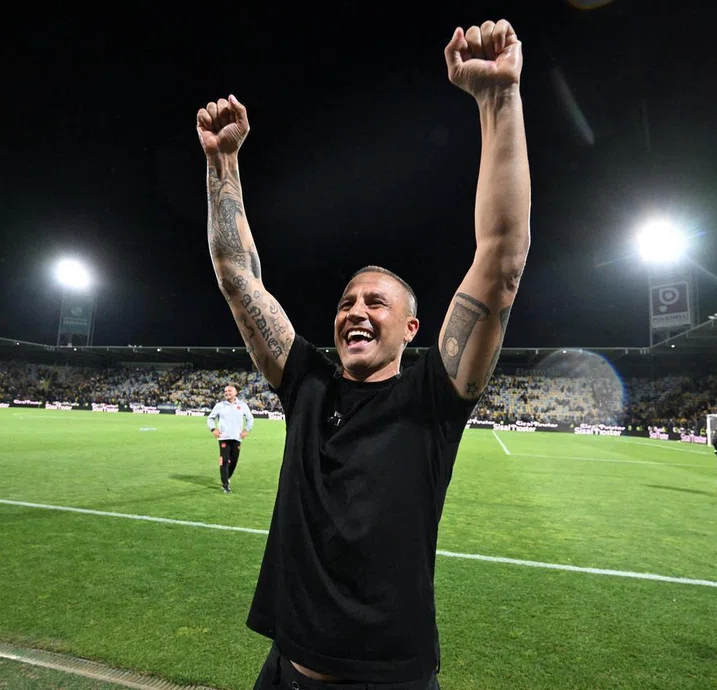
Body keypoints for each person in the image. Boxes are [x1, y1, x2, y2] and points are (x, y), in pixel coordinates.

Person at [196, 18, 530, 689]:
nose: (355, 309)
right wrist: (222, 161)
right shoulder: (308, 383)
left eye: (376, 302)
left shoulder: (434, 397)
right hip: (282, 670)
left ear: (413, 329)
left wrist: (498, 100)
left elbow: (501, 262)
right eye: (349, 300)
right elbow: (238, 277)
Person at [206, 384, 254, 493]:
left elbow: (250, 419)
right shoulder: (220, 405)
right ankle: (225, 485)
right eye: (225, 391)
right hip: (224, 437)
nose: (227, 393)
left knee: (234, 461)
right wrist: (213, 429)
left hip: (237, 437)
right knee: (224, 461)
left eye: (229, 391)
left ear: (235, 393)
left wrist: (247, 430)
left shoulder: (242, 405)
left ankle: (227, 477)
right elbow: (210, 418)